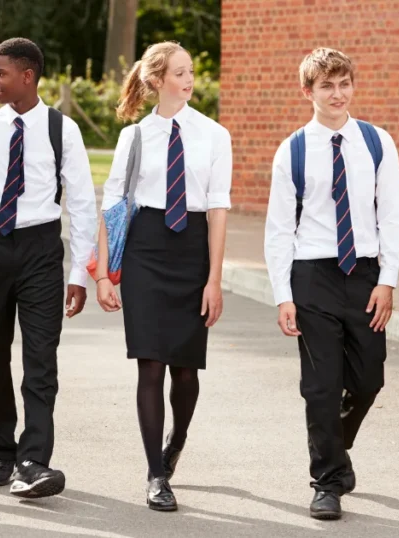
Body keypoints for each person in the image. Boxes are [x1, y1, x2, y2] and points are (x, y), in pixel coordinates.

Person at [0, 37, 97, 499]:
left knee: (39, 360)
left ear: (27, 76)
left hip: (40, 253)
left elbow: (84, 203)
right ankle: (5, 450)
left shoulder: (61, 129)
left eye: (1, 74)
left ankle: (34, 460)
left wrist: (79, 274)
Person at [263, 47, 399, 520]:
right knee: (320, 386)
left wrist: (387, 281)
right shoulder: (294, 149)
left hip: (364, 276)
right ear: (309, 92)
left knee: (368, 379)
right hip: (313, 276)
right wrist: (283, 295)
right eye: (327, 86)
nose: (338, 93)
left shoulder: (377, 142)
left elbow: (391, 215)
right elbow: (280, 229)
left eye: (344, 83)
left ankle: (334, 449)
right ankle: (326, 481)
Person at [94, 41, 231, 512]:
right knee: (149, 362)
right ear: (156, 81)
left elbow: (217, 209)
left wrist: (214, 279)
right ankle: (156, 473)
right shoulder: (133, 137)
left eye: (191, 70)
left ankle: (178, 439)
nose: (190, 79)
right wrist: (104, 275)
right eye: (179, 72)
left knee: (186, 369)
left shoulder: (214, 134)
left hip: (192, 249)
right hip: (146, 250)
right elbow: (113, 203)